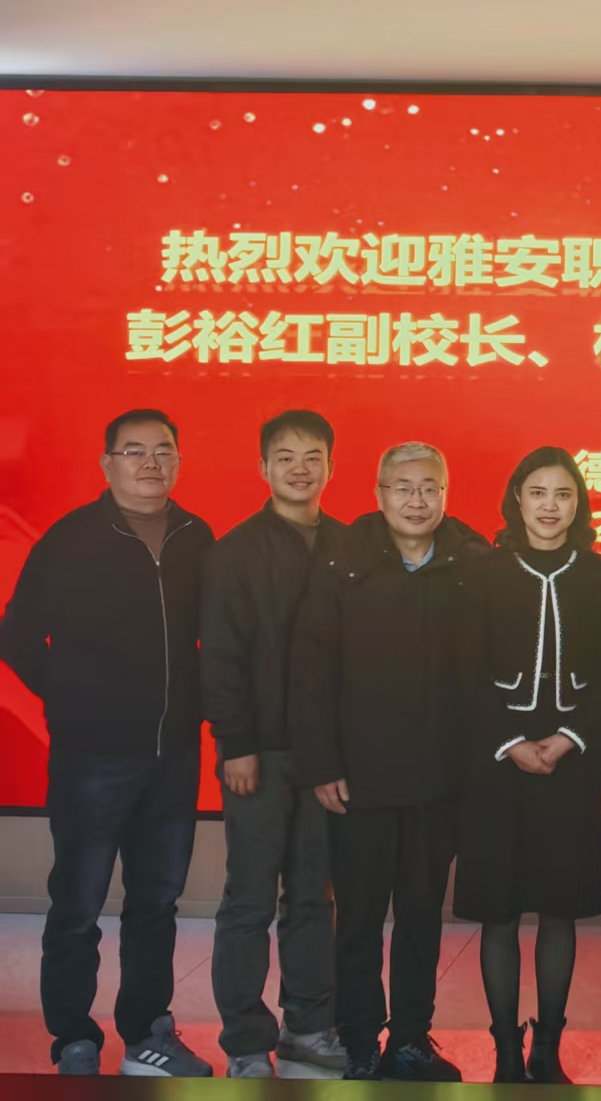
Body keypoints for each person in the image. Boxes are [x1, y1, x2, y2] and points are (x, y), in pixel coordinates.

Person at [0, 409, 215, 1077]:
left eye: (163, 450)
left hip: (174, 754)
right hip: (92, 756)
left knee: (156, 903)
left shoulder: (196, 536)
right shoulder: (71, 538)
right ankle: (73, 1037)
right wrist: (71, 696)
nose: (151, 462)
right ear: (107, 463)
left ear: (178, 460)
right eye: (134, 450)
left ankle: (147, 1032)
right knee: (78, 903)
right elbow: (16, 634)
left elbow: (214, 639)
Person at [289, 441, 489, 1082]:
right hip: (360, 779)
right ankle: (357, 1038)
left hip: (440, 779)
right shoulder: (343, 559)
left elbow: (486, 674)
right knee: (359, 918)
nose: (417, 500)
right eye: (403, 488)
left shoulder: (472, 562)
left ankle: (409, 1038)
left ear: (445, 494)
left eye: (430, 488)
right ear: (379, 495)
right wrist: (322, 763)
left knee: (423, 916)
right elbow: (311, 670)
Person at [453, 447, 601, 1084]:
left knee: (559, 909)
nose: (550, 506)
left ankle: (547, 1049)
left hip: (569, 764)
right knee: (499, 913)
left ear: (578, 503)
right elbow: (463, 668)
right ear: (516, 501)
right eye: (538, 493)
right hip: (496, 763)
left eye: (563, 494)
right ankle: (505, 1052)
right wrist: (510, 741)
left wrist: (572, 737)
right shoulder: (481, 573)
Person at [201, 410, 348, 1080]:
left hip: (325, 760)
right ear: (263, 467)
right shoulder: (234, 552)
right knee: (249, 900)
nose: (299, 468)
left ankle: (308, 1027)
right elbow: (221, 655)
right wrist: (235, 742)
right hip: (257, 753)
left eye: (313, 456)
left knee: (313, 896)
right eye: (285, 456)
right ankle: (244, 1042)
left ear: (331, 466)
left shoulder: (349, 545)